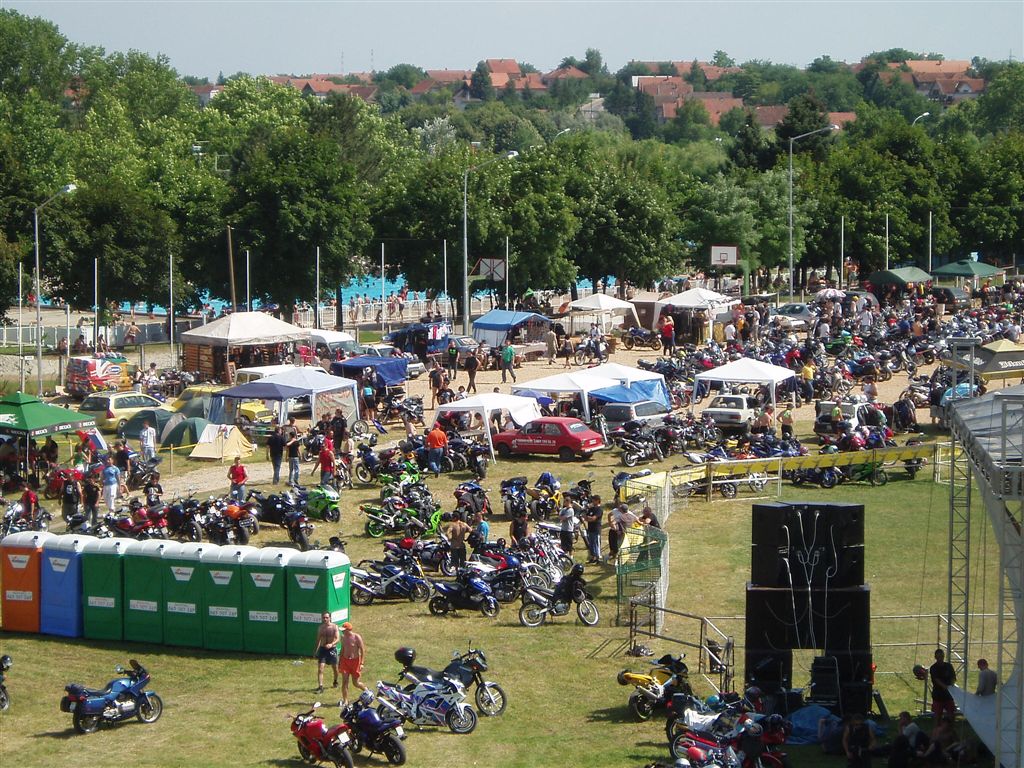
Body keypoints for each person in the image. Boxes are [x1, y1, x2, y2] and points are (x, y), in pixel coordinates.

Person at [339, 621, 367, 705]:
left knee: (356, 683)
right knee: (345, 681)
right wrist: (340, 661)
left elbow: (362, 650)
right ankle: (345, 700)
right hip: (345, 661)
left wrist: (362, 663)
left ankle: (366, 691)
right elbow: (342, 649)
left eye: (344, 630)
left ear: (348, 630)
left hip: (355, 661)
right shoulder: (343, 637)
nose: (342, 631)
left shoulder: (356, 637)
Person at [313, 612, 340, 693]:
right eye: (324, 617)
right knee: (320, 668)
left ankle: (335, 681)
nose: (325, 619)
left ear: (330, 618)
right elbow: (318, 640)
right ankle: (320, 686)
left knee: (335, 668)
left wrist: (331, 644)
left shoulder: (334, 627)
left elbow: (338, 639)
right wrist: (315, 651)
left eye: (327, 617)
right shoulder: (321, 628)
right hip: (323, 649)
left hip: (332, 650)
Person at [929, 648, 957, 718]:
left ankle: (950, 724)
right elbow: (936, 679)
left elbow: (953, 677)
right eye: (938, 657)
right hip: (938, 695)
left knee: (951, 715)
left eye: (942, 656)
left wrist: (952, 684)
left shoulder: (949, 666)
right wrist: (945, 686)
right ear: (935, 657)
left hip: (948, 695)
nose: (940, 658)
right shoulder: (933, 668)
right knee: (937, 716)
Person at [583, 496, 603, 563]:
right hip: (590, 529)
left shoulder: (599, 509)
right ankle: (592, 557)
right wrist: (588, 518)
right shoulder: (591, 509)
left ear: (597, 500)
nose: (592, 501)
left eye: (594, 500)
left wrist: (589, 518)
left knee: (596, 543)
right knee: (591, 544)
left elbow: (593, 518)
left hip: (596, 529)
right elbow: (585, 518)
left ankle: (598, 558)